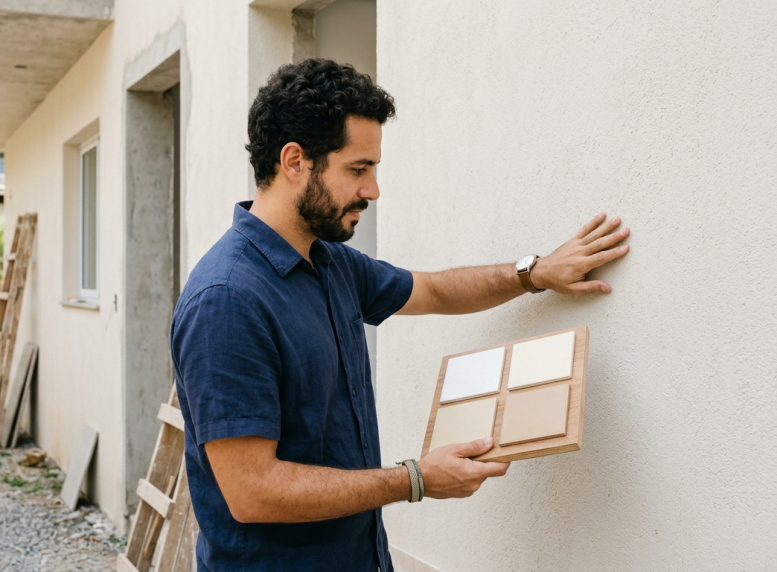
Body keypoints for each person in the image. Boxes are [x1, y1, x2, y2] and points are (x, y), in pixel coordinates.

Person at [170, 58, 630, 572]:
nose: (373, 191)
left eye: (374, 170)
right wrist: (416, 479)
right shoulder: (227, 299)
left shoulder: (329, 262)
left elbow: (432, 290)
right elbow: (253, 492)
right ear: (294, 161)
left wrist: (534, 272)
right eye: (358, 169)